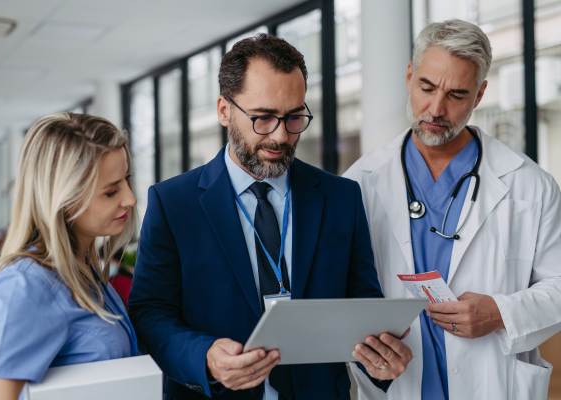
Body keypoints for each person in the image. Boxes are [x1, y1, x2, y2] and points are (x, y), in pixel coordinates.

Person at [129, 33, 413, 400]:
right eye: (263, 118)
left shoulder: (340, 195)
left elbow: (361, 301)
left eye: (294, 117)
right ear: (223, 110)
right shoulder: (172, 203)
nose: (280, 136)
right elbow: (150, 312)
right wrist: (206, 357)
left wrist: (379, 358)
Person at [344, 19, 561, 400]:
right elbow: (342, 294)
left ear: (479, 95)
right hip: (401, 384)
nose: (436, 108)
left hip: (493, 382)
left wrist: (501, 312)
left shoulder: (530, 185)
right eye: (426, 88)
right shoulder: (358, 183)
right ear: (410, 76)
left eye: (457, 95)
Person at [0, 113, 139, 400]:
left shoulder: (83, 269)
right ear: (63, 201)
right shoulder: (25, 286)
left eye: (126, 180)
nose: (130, 198)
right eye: (111, 192)